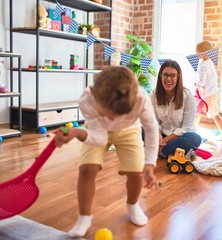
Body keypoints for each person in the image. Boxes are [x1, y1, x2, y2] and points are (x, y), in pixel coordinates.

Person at [54, 66, 159, 237]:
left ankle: (133, 205)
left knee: (136, 173)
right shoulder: (86, 100)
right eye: (108, 114)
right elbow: (101, 138)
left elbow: (151, 128)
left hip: (129, 130)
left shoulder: (140, 98)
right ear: (94, 93)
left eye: (119, 114)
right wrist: (78, 133)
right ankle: (84, 218)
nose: (113, 120)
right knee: (87, 169)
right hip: (97, 131)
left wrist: (149, 163)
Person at [150, 60, 202, 158]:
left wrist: (163, 141)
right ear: (160, 76)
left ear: (178, 77)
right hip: (162, 136)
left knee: (195, 138)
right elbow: (154, 122)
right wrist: (159, 137)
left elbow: (187, 127)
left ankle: (158, 151)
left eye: (172, 75)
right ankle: (167, 151)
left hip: (181, 137)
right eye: (165, 75)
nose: (168, 79)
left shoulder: (187, 96)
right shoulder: (154, 94)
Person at [194, 40, 222, 136]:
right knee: (198, 111)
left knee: (214, 114)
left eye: (198, 52)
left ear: (204, 53)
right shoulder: (202, 62)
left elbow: (202, 79)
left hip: (211, 94)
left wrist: (198, 84)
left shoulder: (206, 64)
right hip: (206, 92)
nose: (197, 54)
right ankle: (192, 130)